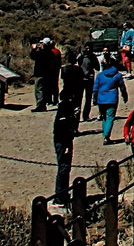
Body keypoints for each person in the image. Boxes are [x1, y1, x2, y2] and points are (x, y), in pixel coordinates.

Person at [53, 53, 84, 202]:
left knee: (64, 168)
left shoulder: (64, 70)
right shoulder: (67, 109)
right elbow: (63, 127)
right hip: (63, 140)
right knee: (64, 168)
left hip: (61, 138)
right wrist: (66, 143)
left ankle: (62, 194)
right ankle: (60, 196)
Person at [94, 57, 127, 143]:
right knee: (110, 118)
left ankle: (105, 133)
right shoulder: (118, 75)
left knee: (104, 117)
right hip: (112, 98)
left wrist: (94, 98)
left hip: (101, 99)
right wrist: (125, 96)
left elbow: (95, 88)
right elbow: (122, 87)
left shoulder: (100, 75)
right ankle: (106, 136)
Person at [31, 38, 60, 112]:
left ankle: (40, 106)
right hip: (47, 73)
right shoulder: (50, 53)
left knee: (39, 90)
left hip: (40, 73)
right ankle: (42, 105)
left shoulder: (43, 53)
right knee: (44, 89)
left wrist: (34, 49)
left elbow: (33, 56)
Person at [77, 43, 100, 122]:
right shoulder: (81, 56)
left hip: (89, 79)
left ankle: (86, 115)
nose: (88, 50)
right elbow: (78, 65)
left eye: (89, 48)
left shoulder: (92, 56)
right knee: (79, 98)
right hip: (81, 79)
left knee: (88, 98)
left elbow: (97, 67)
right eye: (86, 48)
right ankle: (77, 115)